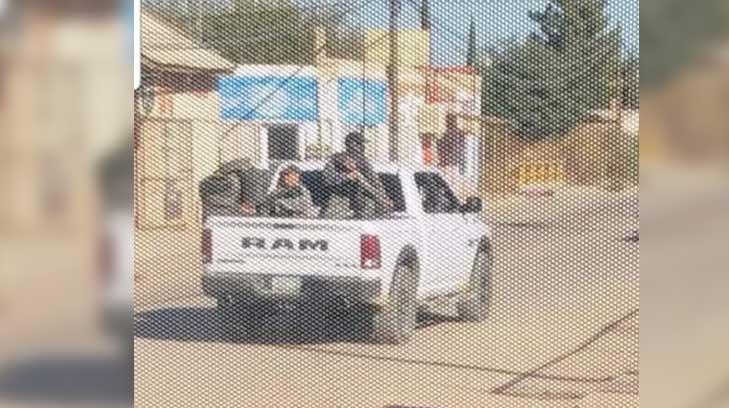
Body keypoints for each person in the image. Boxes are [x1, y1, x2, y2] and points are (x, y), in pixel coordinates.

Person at [322, 132, 393, 219]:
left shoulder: (364, 162)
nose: (363, 147)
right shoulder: (336, 160)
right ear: (352, 144)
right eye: (360, 144)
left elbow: (376, 182)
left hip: (364, 212)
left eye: (363, 144)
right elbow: (327, 180)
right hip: (338, 211)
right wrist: (347, 177)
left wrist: (383, 199)